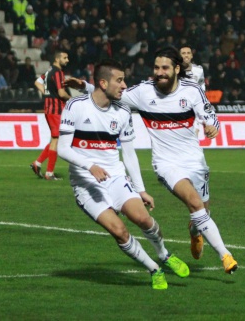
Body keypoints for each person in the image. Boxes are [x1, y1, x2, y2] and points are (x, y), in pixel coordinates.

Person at [69, 47, 238, 274]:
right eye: (156, 68)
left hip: (195, 161)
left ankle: (195, 230)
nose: (159, 72)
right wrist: (84, 86)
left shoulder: (192, 91)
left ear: (176, 69)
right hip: (166, 163)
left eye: (165, 68)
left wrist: (212, 127)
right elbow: (110, 90)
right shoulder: (143, 92)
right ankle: (226, 256)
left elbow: (210, 117)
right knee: (195, 204)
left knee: (202, 212)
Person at [57, 59, 189, 289]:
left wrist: (141, 189)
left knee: (143, 219)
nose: (124, 85)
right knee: (119, 231)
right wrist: (90, 166)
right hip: (86, 183)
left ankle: (164, 255)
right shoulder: (76, 106)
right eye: (119, 80)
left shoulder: (123, 111)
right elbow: (62, 149)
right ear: (103, 83)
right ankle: (154, 269)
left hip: (116, 177)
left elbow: (129, 153)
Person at [30, 50, 70, 180]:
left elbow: (37, 82)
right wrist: (73, 100)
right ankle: (49, 173)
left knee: (55, 139)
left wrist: (47, 93)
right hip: (56, 110)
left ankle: (37, 164)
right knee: (56, 140)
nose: (67, 60)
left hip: (49, 108)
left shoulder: (48, 71)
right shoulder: (58, 72)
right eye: (65, 58)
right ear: (57, 59)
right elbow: (61, 93)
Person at [180, 45, 205, 135]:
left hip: (193, 109)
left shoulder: (198, 70)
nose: (186, 55)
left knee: (194, 136)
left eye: (188, 53)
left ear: (191, 55)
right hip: (178, 108)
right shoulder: (174, 70)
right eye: (183, 53)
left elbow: (202, 89)